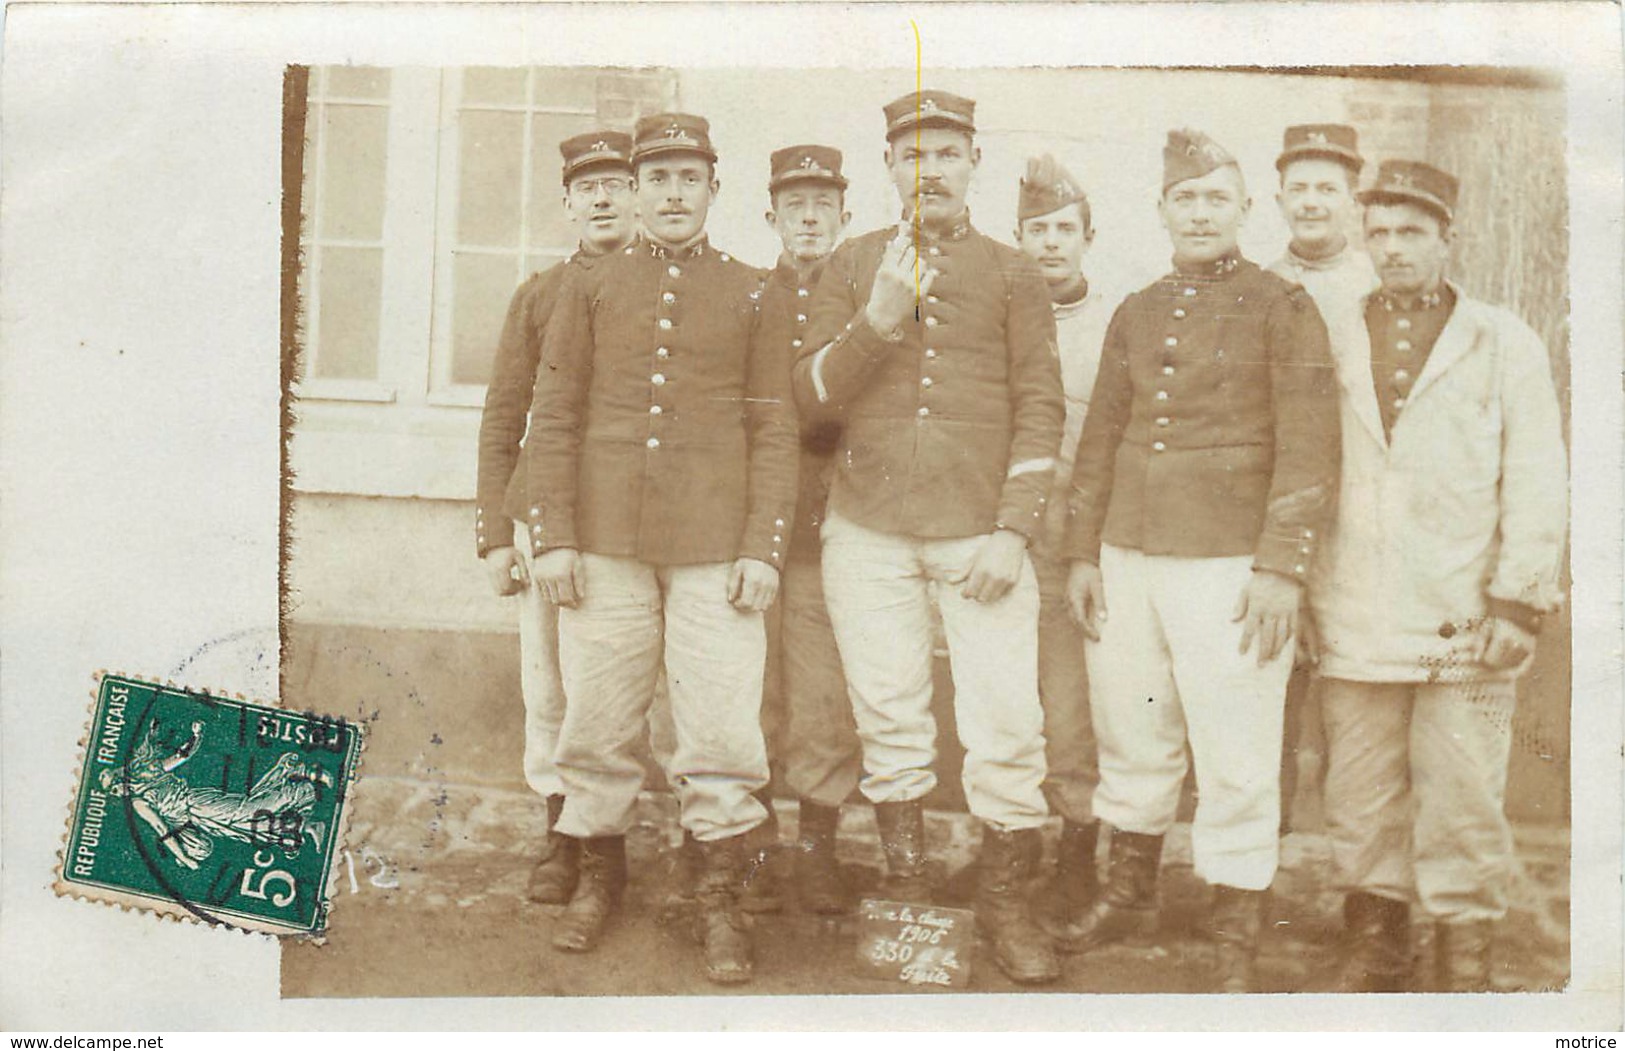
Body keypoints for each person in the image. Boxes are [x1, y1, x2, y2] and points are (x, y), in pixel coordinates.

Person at [793, 89, 1065, 985]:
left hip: (978, 537)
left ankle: (1006, 899)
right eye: (913, 156)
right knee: (890, 715)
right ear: (887, 169)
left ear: (974, 163)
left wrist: (1012, 532)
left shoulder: (1014, 272)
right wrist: (876, 317)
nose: (931, 171)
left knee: (1006, 724)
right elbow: (811, 401)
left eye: (947, 154)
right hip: (867, 531)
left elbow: (1039, 409)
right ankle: (907, 886)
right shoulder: (852, 263)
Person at [1062, 128, 1341, 992]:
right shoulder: (1135, 310)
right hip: (1128, 555)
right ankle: (1126, 889)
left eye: (1216, 198)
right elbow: (1100, 438)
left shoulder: (1282, 306)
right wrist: (1082, 553)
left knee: (1236, 743)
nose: (1199, 212)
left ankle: (1234, 922)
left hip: (1229, 565)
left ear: (1244, 210)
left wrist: (1280, 568)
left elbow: (1309, 447)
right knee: (1131, 729)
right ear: (1160, 212)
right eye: (1184, 199)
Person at [526, 112, 799, 985]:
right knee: (599, 716)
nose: (673, 194)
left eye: (690, 178)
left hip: (716, 546)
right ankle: (598, 877)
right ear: (635, 192)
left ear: (715, 190)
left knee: (719, 722)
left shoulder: (758, 289)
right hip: (603, 540)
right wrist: (557, 535)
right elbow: (555, 416)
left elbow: (773, 426)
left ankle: (717, 892)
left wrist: (763, 546)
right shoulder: (590, 287)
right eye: (657, 179)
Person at [1311, 160, 1567, 993]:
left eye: (1410, 232)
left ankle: (1465, 949)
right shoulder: (1329, 329)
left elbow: (1535, 476)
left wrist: (1518, 602)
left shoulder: (1500, 339)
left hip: (1463, 612)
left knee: (1461, 790)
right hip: (1354, 602)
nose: (1391, 249)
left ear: (1445, 239)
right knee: (1358, 789)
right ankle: (1375, 940)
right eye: (1377, 232)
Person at [473, 130, 638, 907]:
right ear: (568, 203)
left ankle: (612, 838)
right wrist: (497, 535)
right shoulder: (540, 294)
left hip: (626, 517)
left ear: (637, 196)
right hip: (543, 511)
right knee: (549, 687)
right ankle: (560, 837)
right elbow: (505, 412)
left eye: (617, 184)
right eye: (588, 187)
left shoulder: (661, 290)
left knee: (614, 689)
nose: (603, 198)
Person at [1266, 124, 1380, 831]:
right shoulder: (1256, 286)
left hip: (1361, 525)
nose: (1311, 203)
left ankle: (1359, 887)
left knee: (1356, 710)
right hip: (1276, 519)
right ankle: (1258, 880)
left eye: (1326, 189)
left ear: (1352, 200)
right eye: (1298, 188)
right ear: (1277, 196)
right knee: (1269, 695)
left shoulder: (1377, 288)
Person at [758, 144, 861, 914]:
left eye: (823, 203)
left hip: (834, 527)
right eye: (795, 204)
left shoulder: (868, 300)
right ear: (771, 216)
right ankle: (756, 843)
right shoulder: (746, 298)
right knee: (752, 692)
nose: (809, 217)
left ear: (845, 216)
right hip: (755, 528)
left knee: (823, 697)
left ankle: (819, 847)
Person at [1010, 154, 1109, 945]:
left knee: (1071, 710)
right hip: (1004, 541)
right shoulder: (997, 313)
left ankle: (1078, 858)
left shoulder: (1112, 325)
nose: (1050, 244)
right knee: (1010, 705)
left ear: (1087, 237)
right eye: (1035, 230)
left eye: (1063, 230)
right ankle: (1009, 854)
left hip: (1077, 542)